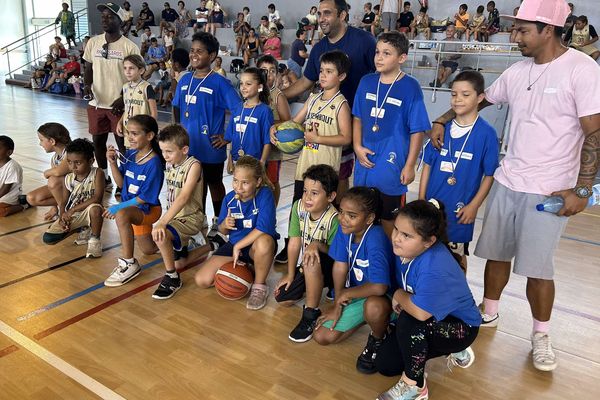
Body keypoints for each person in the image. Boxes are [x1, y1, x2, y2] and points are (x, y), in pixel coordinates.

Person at [429, 0, 600, 372]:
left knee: (539, 270)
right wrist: (442, 119)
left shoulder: (582, 70)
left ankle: (541, 335)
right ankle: (489, 312)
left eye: (523, 29)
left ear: (548, 30)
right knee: (497, 254)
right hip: (508, 180)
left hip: (550, 190)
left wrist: (584, 189)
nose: (514, 35)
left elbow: (595, 133)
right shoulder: (518, 71)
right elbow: (481, 99)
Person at [280, 0, 376, 263]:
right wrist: (277, 95)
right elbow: (306, 82)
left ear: (342, 15)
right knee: (306, 196)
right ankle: (297, 241)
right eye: (319, 13)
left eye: (327, 13)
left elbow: (380, 76)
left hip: (353, 123)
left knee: (338, 192)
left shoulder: (364, 41)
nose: (321, 18)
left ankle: (337, 248)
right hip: (318, 139)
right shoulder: (320, 48)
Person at [375, 200, 481, 400]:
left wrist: (398, 295)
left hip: (461, 328)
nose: (396, 238)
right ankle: (447, 351)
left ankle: (415, 386)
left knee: (411, 320)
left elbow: (420, 312)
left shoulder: (434, 266)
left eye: (406, 235)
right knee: (386, 364)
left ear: (429, 241)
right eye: (397, 229)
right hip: (432, 319)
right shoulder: (406, 250)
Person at [353, 32, 430, 237]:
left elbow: (417, 130)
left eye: (386, 53)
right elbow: (358, 118)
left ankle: (389, 266)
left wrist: (410, 165)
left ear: (401, 58)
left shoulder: (410, 87)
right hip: (365, 164)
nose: (379, 57)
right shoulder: (367, 82)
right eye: (377, 52)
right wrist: (357, 147)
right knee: (361, 219)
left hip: (391, 168)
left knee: (390, 224)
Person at [419, 71, 498, 269]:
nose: (458, 100)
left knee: (456, 260)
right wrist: (421, 201)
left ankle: (456, 299)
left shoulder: (486, 134)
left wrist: (474, 206)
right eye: (454, 94)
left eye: (465, 94)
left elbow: (489, 176)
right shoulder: (441, 130)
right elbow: (427, 167)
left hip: (460, 210)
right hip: (432, 207)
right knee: (425, 254)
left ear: (480, 98)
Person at [313, 187, 393, 375]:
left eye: (351, 215)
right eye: (341, 212)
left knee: (374, 307)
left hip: (383, 298)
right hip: (359, 294)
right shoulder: (344, 230)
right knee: (322, 336)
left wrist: (346, 294)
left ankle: (378, 337)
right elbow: (340, 266)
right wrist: (336, 303)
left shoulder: (376, 237)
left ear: (370, 218)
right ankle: (367, 318)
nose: (343, 218)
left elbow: (380, 286)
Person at [171, 32, 241, 241]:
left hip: (210, 147)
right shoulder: (185, 80)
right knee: (193, 186)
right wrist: (177, 131)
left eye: (199, 51)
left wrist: (227, 137)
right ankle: (197, 219)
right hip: (187, 149)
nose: (194, 54)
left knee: (214, 183)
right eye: (192, 50)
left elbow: (239, 110)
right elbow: (176, 106)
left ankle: (219, 221)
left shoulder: (220, 83)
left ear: (211, 56)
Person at [194, 156, 278, 311]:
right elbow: (222, 230)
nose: (239, 187)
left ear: (258, 182)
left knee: (264, 242)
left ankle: (259, 286)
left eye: (245, 182)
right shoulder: (229, 199)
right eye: (235, 180)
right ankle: (246, 268)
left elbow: (264, 229)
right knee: (202, 280)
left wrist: (238, 246)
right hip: (234, 246)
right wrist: (225, 225)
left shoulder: (264, 194)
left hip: (256, 246)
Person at [274, 164, 339, 342]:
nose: (307, 198)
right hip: (312, 265)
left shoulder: (335, 219)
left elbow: (338, 255)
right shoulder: (298, 208)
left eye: (314, 193)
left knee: (310, 258)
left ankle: (310, 313)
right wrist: (290, 274)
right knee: (283, 298)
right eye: (305, 191)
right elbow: (294, 243)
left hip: (333, 268)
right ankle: (313, 287)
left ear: (331, 197)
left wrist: (317, 245)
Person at [83, 3, 140, 192]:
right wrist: (86, 86)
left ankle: (123, 182)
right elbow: (88, 67)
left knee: (122, 145)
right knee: (98, 142)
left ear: (120, 20)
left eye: (110, 17)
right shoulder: (93, 42)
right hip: (97, 103)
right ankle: (105, 178)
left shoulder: (129, 46)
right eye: (103, 17)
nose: (105, 20)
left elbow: (137, 76)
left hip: (119, 105)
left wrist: (123, 97)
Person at [103, 115, 165, 287]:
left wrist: (119, 207)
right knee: (148, 249)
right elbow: (122, 184)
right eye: (128, 133)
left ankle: (128, 263)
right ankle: (172, 240)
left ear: (150, 136)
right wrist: (113, 163)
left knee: (121, 215)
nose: (129, 137)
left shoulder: (154, 163)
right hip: (133, 209)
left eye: (135, 133)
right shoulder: (130, 154)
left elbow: (144, 198)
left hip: (147, 209)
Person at [152, 124, 205, 299]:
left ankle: (172, 278)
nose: (164, 156)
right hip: (175, 216)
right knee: (180, 261)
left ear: (184, 150)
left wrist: (162, 221)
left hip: (192, 217)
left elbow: (183, 197)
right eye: (162, 151)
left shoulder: (194, 165)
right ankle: (213, 244)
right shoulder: (170, 163)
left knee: (161, 234)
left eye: (169, 151)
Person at [42, 139, 105, 259]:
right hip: (75, 214)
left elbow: (97, 198)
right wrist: (62, 216)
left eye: (78, 163)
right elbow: (63, 202)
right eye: (69, 162)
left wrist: (72, 210)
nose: (73, 166)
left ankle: (95, 240)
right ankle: (82, 228)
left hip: (89, 211)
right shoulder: (68, 178)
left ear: (91, 161)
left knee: (95, 209)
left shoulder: (97, 173)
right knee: (48, 238)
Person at [257, 55, 292, 206]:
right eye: (264, 70)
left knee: (271, 182)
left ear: (277, 75)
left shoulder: (278, 96)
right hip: (254, 148)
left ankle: (272, 214)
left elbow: (287, 122)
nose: (268, 74)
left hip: (272, 151)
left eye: (272, 71)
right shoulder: (252, 92)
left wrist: (269, 124)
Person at [224, 67, 273, 170]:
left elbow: (267, 141)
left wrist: (262, 162)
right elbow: (233, 137)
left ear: (259, 87)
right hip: (237, 161)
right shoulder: (237, 108)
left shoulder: (264, 111)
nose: (243, 87)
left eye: (248, 84)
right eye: (241, 83)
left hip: (255, 164)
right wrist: (230, 159)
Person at [23, 123, 71, 220]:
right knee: (31, 198)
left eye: (41, 140)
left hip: (77, 190)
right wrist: (53, 208)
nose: (40, 144)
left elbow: (58, 172)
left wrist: (46, 172)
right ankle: (62, 205)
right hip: (63, 190)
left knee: (53, 180)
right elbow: (54, 182)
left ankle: (64, 211)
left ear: (52, 141)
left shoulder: (70, 152)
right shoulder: (54, 158)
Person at [117, 55, 158, 146]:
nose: (127, 71)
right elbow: (127, 109)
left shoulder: (146, 87)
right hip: (128, 129)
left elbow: (154, 113)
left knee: (141, 156)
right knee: (130, 155)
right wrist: (119, 122)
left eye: (131, 68)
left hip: (142, 132)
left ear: (141, 70)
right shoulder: (125, 87)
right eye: (125, 68)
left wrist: (149, 130)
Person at [0, 136, 25, 218]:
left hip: (8, 197)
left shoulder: (13, 167)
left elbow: (5, 189)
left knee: (1, 212)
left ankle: (24, 205)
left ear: (9, 152)